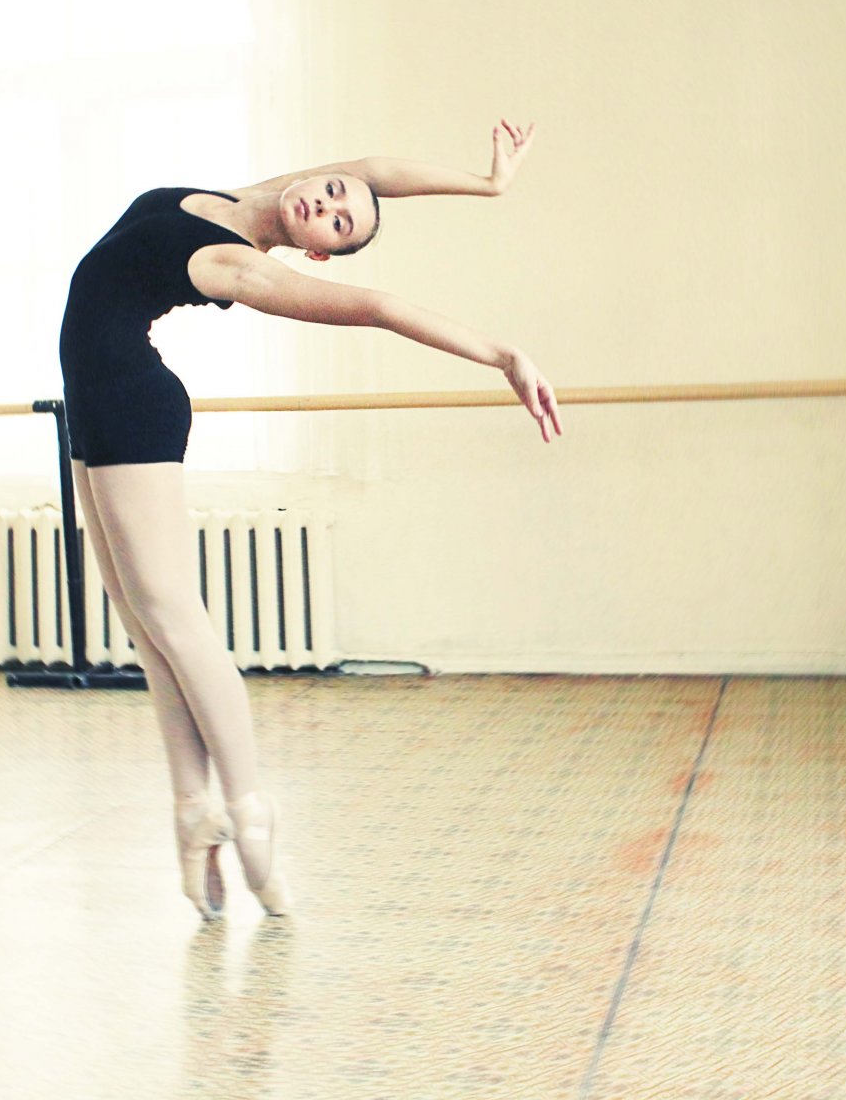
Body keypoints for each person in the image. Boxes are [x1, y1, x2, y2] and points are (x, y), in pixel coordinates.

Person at [58, 120, 562, 920]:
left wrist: (501, 355)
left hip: (130, 403)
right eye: (331, 193)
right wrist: (486, 183)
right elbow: (376, 169)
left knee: (176, 621)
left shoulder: (239, 264)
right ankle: (192, 814)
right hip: (92, 406)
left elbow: (379, 307)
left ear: (319, 253)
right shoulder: (248, 197)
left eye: (336, 222)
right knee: (147, 630)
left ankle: (251, 813)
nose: (325, 205)